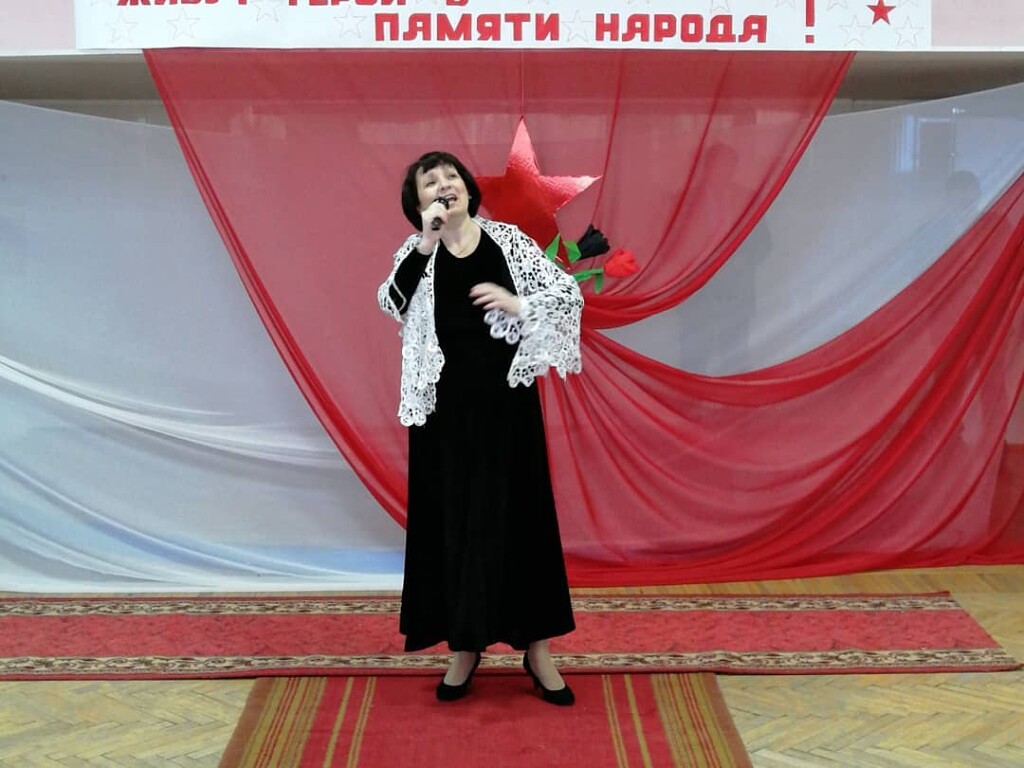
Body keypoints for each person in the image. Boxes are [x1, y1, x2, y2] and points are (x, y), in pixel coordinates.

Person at [377, 151, 583, 706]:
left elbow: (567, 297)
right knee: (455, 526)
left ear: (468, 189)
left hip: (507, 409)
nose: (444, 186)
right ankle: (464, 647)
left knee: (522, 524)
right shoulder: (417, 253)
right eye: (430, 183)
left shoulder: (507, 243)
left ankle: (538, 650)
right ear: (418, 204)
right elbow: (391, 303)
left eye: (451, 178)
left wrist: (518, 303)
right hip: (443, 417)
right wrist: (425, 244)